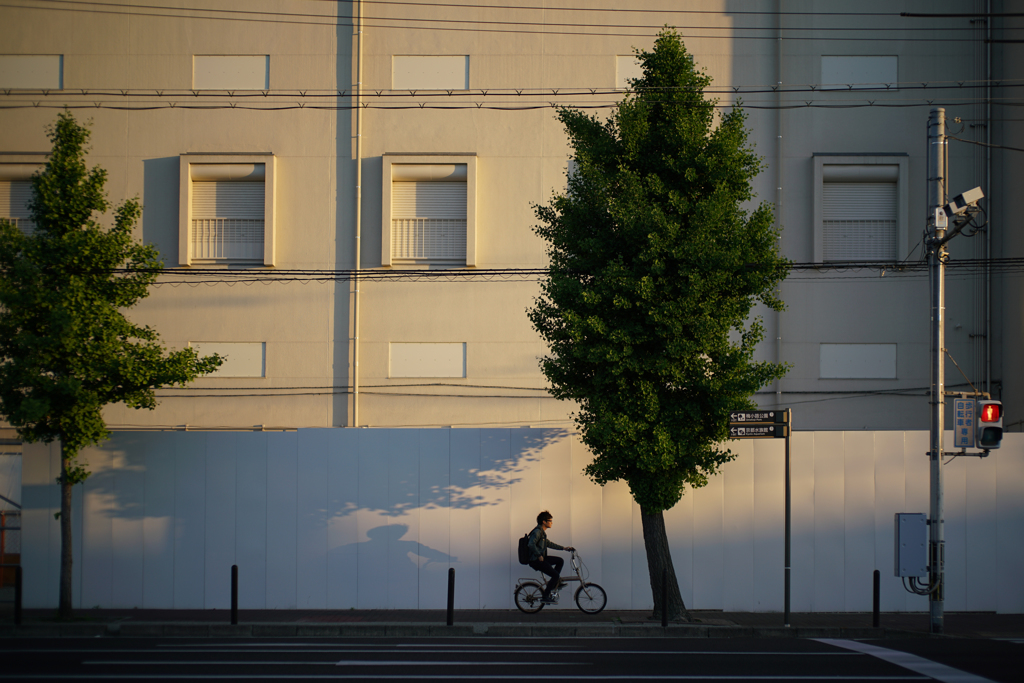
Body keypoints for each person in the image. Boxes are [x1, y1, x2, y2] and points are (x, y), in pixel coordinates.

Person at [527, 511, 574, 604]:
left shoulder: (542, 532)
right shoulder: (537, 532)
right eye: (550, 521)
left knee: (560, 561)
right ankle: (545, 596)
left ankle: (555, 583)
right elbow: (530, 544)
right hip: (536, 560)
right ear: (544, 522)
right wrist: (538, 555)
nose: (552, 522)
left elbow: (549, 544)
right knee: (555, 575)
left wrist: (563, 548)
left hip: (541, 558)